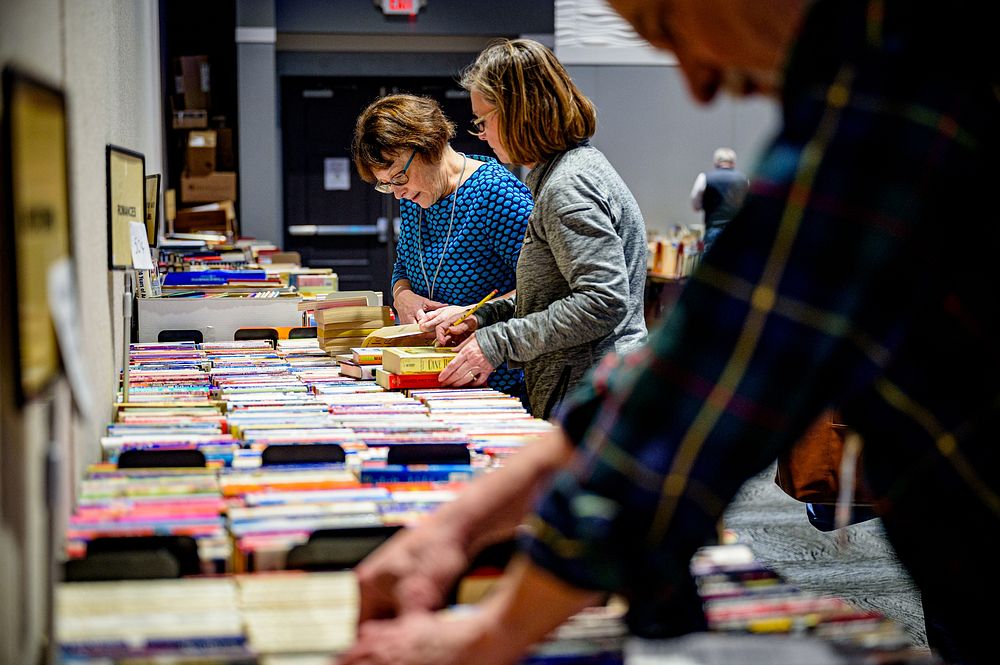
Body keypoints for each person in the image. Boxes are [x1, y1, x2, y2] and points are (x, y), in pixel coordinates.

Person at [341, 2, 999, 664]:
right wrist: (459, 526)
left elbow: (712, 363)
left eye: (668, 27)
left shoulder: (906, 78)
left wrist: (496, 625)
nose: (696, 83)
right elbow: (691, 358)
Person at [414, 39, 648, 420]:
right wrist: (482, 318)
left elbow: (603, 301)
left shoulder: (568, 186)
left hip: (590, 398)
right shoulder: (569, 171)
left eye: (483, 121)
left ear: (519, 112)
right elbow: (552, 294)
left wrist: (496, 343)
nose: (482, 135)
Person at [352, 93, 532, 397]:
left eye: (398, 178)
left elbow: (541, 287)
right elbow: (403, 266)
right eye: (387, 184)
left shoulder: (495, 193)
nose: (397, 194)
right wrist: (403, 294)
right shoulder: (417, 197)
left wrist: (472, 313)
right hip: (431, 377)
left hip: (493, 381)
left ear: (429, 146)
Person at [689, 147, 748, 253]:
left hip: (714, 229)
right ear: (733, 162)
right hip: (738, 231)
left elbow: (695, 204)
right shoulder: (744, 179)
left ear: (716, 162)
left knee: (712, 267)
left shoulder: (705, 178)